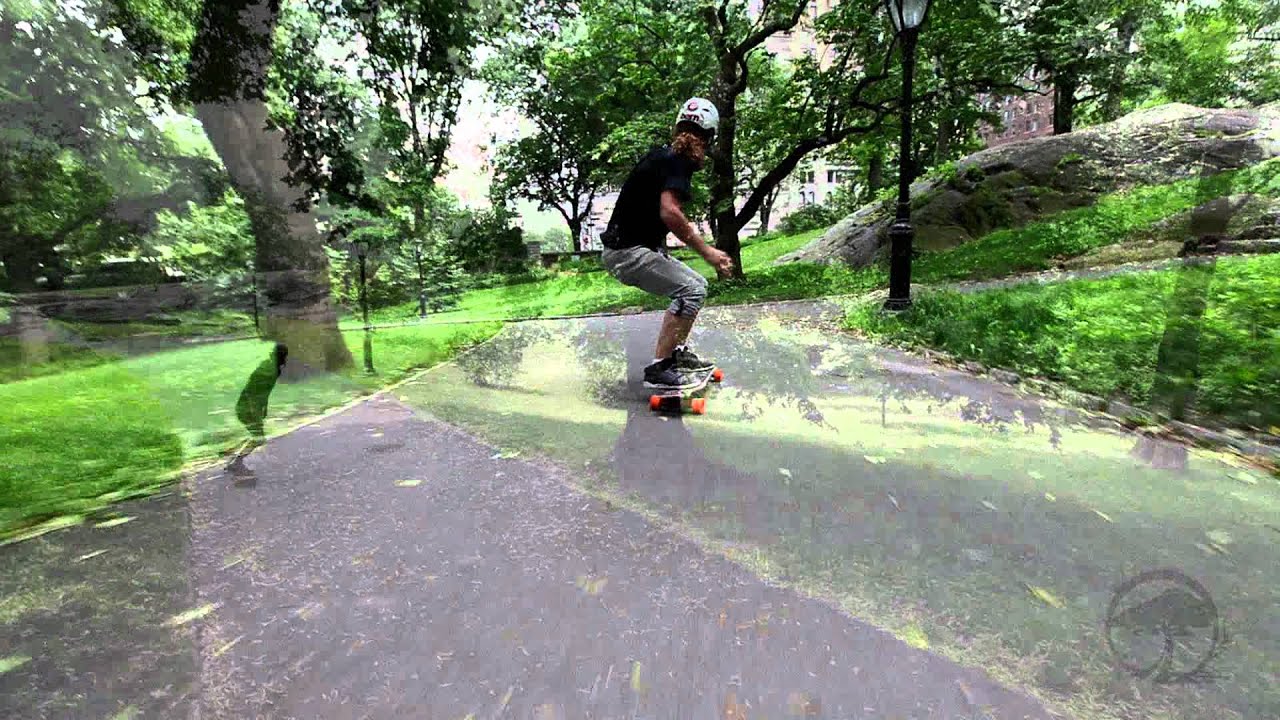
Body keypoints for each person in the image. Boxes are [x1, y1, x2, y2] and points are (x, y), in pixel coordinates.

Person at [600, 97, 735, 389]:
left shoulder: (664, 157)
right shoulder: (677, 161)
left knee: (697, 285)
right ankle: (659, 369)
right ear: (709, 137)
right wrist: (708, 252)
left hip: (630, 249)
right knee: (691, 289)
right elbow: (670, 212)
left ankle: (675, 355)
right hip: (626, 253)